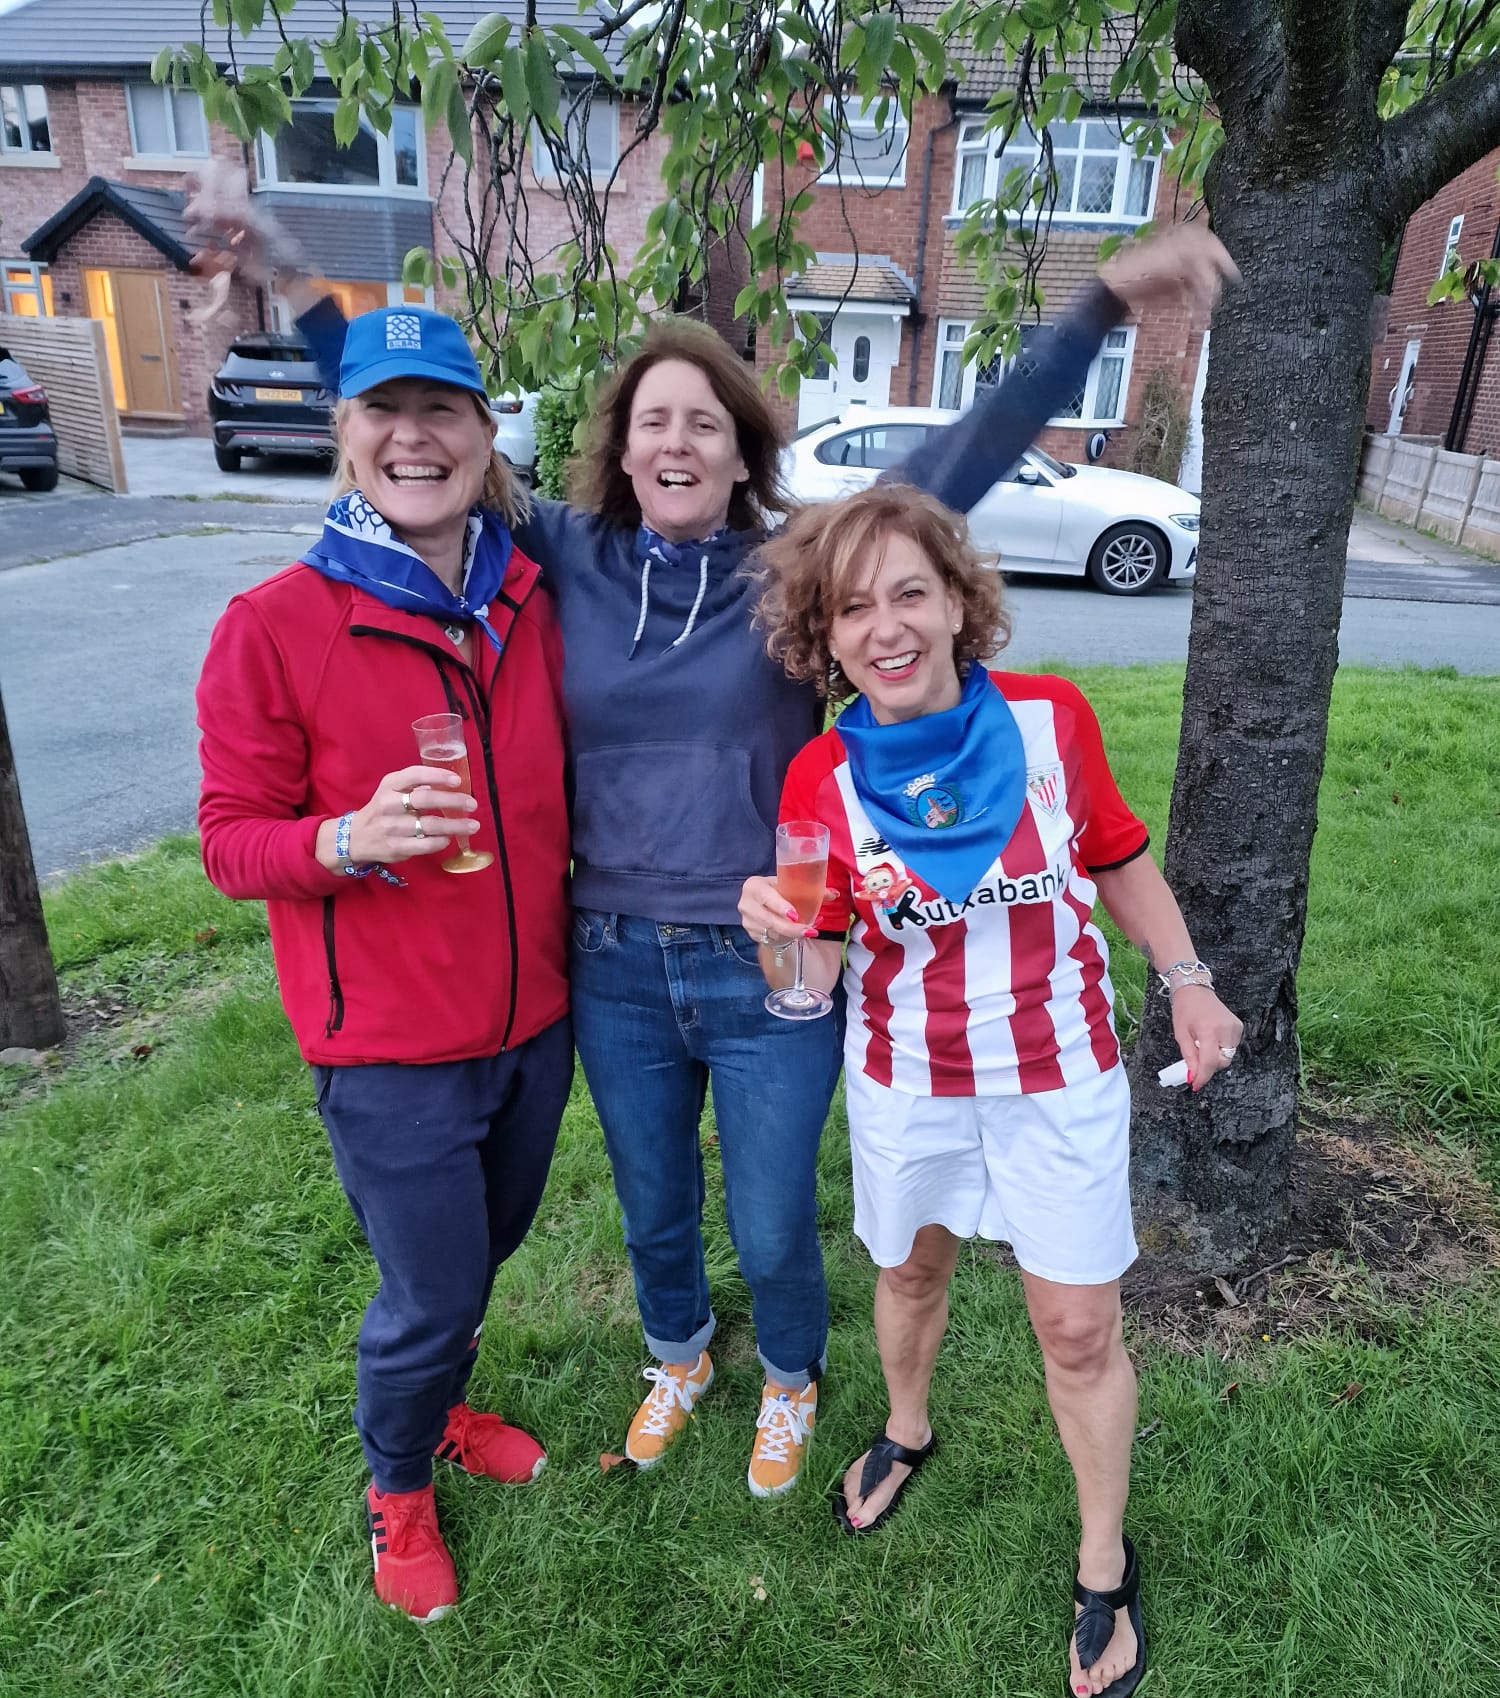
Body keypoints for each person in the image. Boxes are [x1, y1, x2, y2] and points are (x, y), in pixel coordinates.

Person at [192, 180, 1231, 1504]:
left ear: (743, 453)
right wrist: (281, 266)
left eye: (704, 422)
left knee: (771, 1210)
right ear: (620, 452)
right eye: (652, 422)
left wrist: (1102, 303)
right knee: (654, 1200)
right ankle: (677, 1352)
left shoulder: (797, 564)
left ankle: (791, 1373)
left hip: (768, 958)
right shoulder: (559, 553)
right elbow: (415, 428)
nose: (676, 442)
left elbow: (969, 451)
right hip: (611, 956)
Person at [739, 478, 1243, 1698]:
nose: (886, 627)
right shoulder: (822, 776)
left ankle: (1104, 1560)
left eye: (910, 592)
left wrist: (1186, 980)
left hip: (1056, 1077)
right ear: (827, 636)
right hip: (906, 1079)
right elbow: (814, 967)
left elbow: (1115, 852)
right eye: (853, 607)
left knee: (1077, 1329)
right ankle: (907, 1425)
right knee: (911, 1272)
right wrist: (776, 938)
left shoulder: (1048, 720)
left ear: (960, 604)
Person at [196, 304, 573, 1624]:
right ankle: (397, 1485)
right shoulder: (274, 624)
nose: (415, 437)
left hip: (533, 1024)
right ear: (344, 435)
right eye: (383, 412)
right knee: (429, 1290)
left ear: (484, 432)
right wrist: (344, 837)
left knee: (490, 1250)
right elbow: (229, 842)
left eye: (442, 410)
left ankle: (444, 1408)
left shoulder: (526, 595)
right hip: (390, 1050)